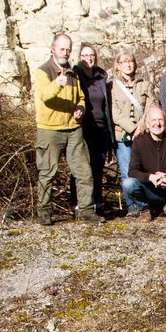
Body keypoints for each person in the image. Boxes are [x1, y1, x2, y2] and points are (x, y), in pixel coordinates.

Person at [33, 32, 100, 225]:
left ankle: (86, 210)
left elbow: (80, 97)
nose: (65, 52)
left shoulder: (73, 72)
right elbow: (44, 95)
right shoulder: (42, 71)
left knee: (83, 170)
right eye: (62, 49)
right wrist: (57, 84)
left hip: (73, 128)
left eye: (68, 49)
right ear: (53, 49)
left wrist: (80, 108)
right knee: (47, 172)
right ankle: (45, 212)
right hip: (50, 129)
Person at [69, 44, 113, 215]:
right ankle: (79, 203)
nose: (89, 58)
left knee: (97, 166)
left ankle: (97, 202)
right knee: (81, 167)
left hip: (101, 129)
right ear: (79, 57)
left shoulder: (101, 77)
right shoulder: (75, 76)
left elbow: (106, 105)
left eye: (92, 54)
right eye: (85, 55)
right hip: (83, 128)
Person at [109, 52, 151, 188]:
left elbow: (151, 107)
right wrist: (132, 129)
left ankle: (145, 204)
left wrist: (141, 127)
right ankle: (133, 206)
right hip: (123, 136)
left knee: (145, 170)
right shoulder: (112, 86)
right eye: (124, 62)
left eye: (130, 61)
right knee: (127, 173)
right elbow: (114, 112)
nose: (128, 64)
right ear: (118, 66)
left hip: (142, 134)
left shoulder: (145, 84)